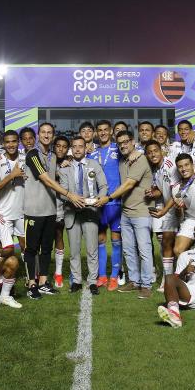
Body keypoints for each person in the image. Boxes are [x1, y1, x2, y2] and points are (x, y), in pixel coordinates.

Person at [23, 122, 85, 299]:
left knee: (45, 249)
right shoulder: (32, 154)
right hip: (33, 210)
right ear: (38, 134)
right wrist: (69, 194)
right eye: (43, 132)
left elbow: (55, 174)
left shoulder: (51, 156)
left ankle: (42, 282)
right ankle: (31, 284)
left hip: (50, 210)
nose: (47, 135)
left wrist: (67, 162)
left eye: (50, 133)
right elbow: (46, 179)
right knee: (31, 249)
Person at [96, 130, 154, 298]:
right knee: (128, 249)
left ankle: (147, 284)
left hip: (141, 211)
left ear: (133, 142)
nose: (123, 145)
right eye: (120, 143)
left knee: (143, 249)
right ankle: (135, 281)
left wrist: (109, 198)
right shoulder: (123, 160)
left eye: (126, 142)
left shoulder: (140, 159)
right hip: (126, 211)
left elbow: (128, 184)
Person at [153, 153, 195, 265]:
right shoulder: (176, 188)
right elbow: (180, 215)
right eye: (180, 166)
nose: (184, 169)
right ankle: (194, 273)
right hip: (192, 220)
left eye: (186, 165)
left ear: (192, 165)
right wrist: (177, 209)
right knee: (178, 250)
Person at [59, 136, 107, 294]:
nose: (78, 149)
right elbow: (61, 192)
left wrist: (99, 199)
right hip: (72, 213)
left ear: (86, 148)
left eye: (81, 146)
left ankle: (93, 281)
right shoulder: (65, 168)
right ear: (71, 149)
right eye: (75, 146)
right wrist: (72, 199)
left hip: (90, 212)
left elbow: (103, 186)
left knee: (92, 249)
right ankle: (77, 281)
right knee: (74, 250)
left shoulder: (94, 165)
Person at [88, 120, 123, 289]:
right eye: (99, 130)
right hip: (99, 203)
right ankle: (102, 276)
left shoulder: (119, 149)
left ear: (111, 132)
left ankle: (114, 276)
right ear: (96, 133)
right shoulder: (91, 154)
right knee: (100, 239)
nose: (102, 133)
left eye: (105, 130)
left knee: (116, 239)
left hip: (116, 202)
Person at [144, 140, 179, 292]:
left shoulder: (171, 166)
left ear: (162, 151)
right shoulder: (156, 169)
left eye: (155, 151)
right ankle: (168, 277)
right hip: (167, 207)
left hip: (176, 208)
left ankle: (171, 279)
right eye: (150, 152)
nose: (153, 154)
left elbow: (177, 193)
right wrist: (153, 193)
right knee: (165, 243)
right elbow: (161, 190)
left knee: (171, 244)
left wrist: (165, 210)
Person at [0, 130, 26, 258]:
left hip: (23, 211)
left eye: (14, 141)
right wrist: (11, 176)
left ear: (18, 142)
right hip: (4, 213)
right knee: (3, 249)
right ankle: (1, 275)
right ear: (3, 144)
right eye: (7, 142)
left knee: (26, 246)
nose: (11, 145)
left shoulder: (25, 157)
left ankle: (32, 276)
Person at [52, 135, 70, 287]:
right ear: (54, 146)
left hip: (59, 205)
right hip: (43, 205)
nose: (61, 149)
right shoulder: (47, 160)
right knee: (41, 241)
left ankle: (58, 273)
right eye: (58, 146)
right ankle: (39, 273)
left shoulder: (69, 163)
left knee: (58, 235)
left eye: (64, 146)